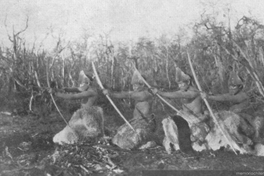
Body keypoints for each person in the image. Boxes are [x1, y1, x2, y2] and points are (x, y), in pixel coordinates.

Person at [152, 66, 210, 152]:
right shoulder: (183, 91)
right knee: (170, 125)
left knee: (195, 140)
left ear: (188, 82)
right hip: (185, 119)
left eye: (182, 83)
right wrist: (160, 93)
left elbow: (177, 95)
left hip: (197, 121)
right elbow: (175, 95)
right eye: (179, 84)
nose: (180, 86)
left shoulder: (194, 92)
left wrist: (159, 92)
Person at [205, 69, 264, 144]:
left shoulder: (242, 95)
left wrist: (209, 97)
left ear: (240, 87)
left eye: (233, 87)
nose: (231, 89)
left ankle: (249, 141)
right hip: (239, 121)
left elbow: (226, 97)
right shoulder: (234, 95)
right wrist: (209, 96)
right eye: (230, 86)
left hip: (249, 123)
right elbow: (224, 96)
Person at [103, 71, 156, 150]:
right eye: (133, 85)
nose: (134, 87)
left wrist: (111, 93)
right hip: (136, 122)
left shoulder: (144, 94)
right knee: (120, 131)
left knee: (131, 140)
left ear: (143, 85)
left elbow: (128, 94)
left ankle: (149, 143)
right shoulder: (140, 93)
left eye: (136, 85)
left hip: (145, 124)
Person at [52, 70, 105, 145]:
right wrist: (65, 89)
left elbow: (73, 97)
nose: (82, 85)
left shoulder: (91, 92)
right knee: (75, 130)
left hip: (89, 115)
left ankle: (89, 142)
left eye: (84, 83)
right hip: (84, 113)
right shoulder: (87, 88)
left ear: (88, 83)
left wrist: (56, 94)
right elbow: (78, 89)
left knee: (91, 132)